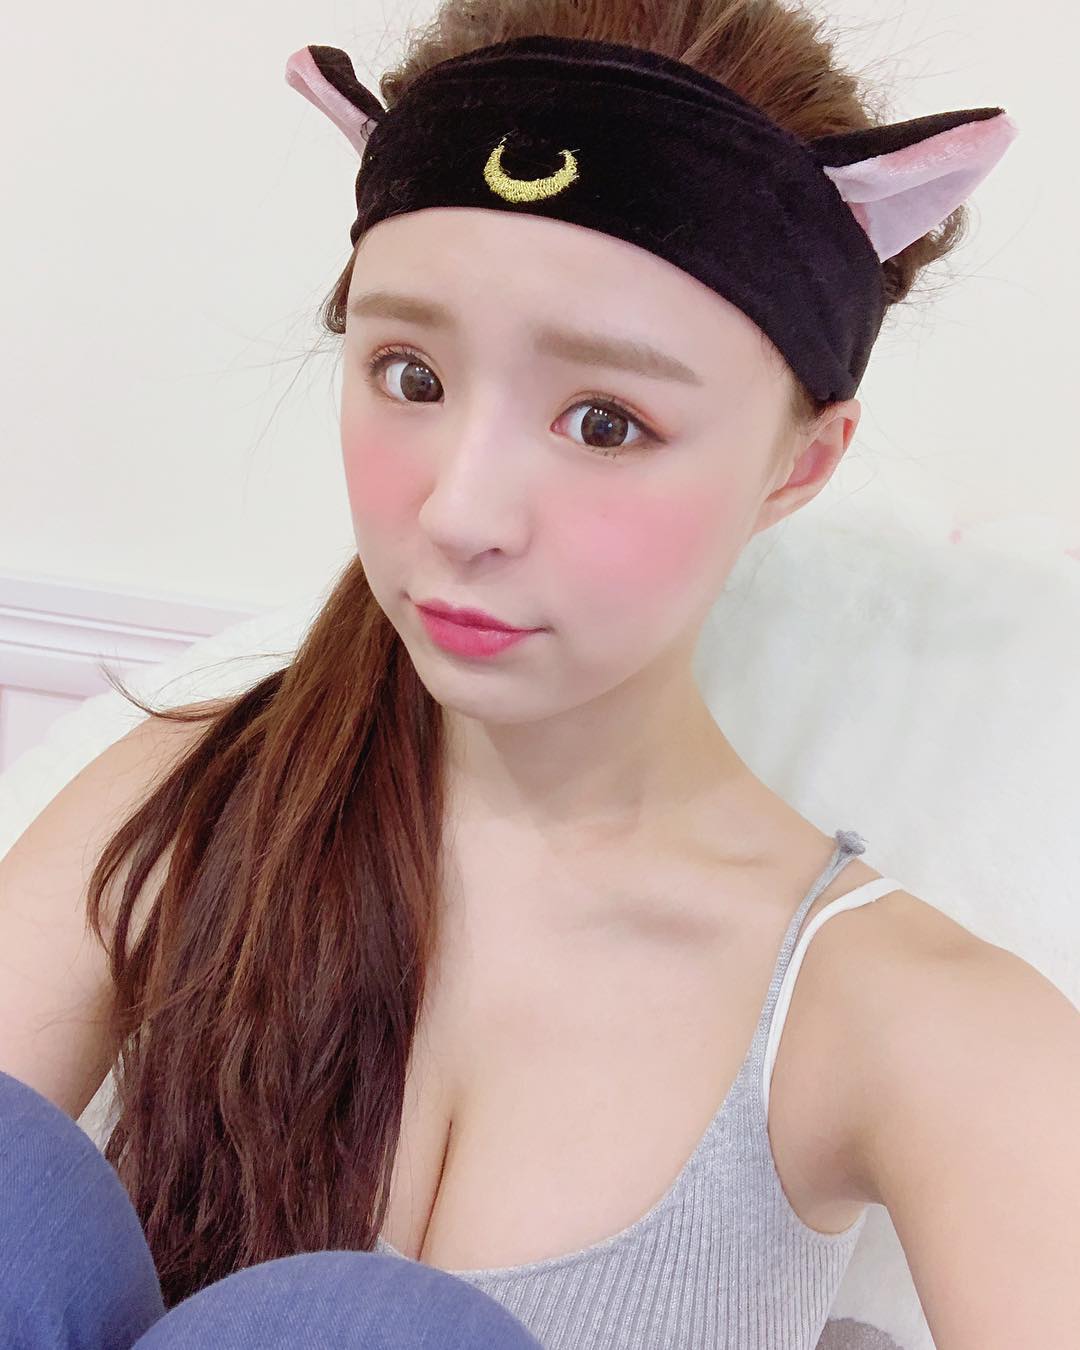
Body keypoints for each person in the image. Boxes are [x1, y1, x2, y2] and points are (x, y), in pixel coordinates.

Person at [2, 2, 1076, 1348]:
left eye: (605, 422)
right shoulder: (192, 799)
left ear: (800, 463)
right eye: (409, 374)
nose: (460, 512)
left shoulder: (908, 1017)